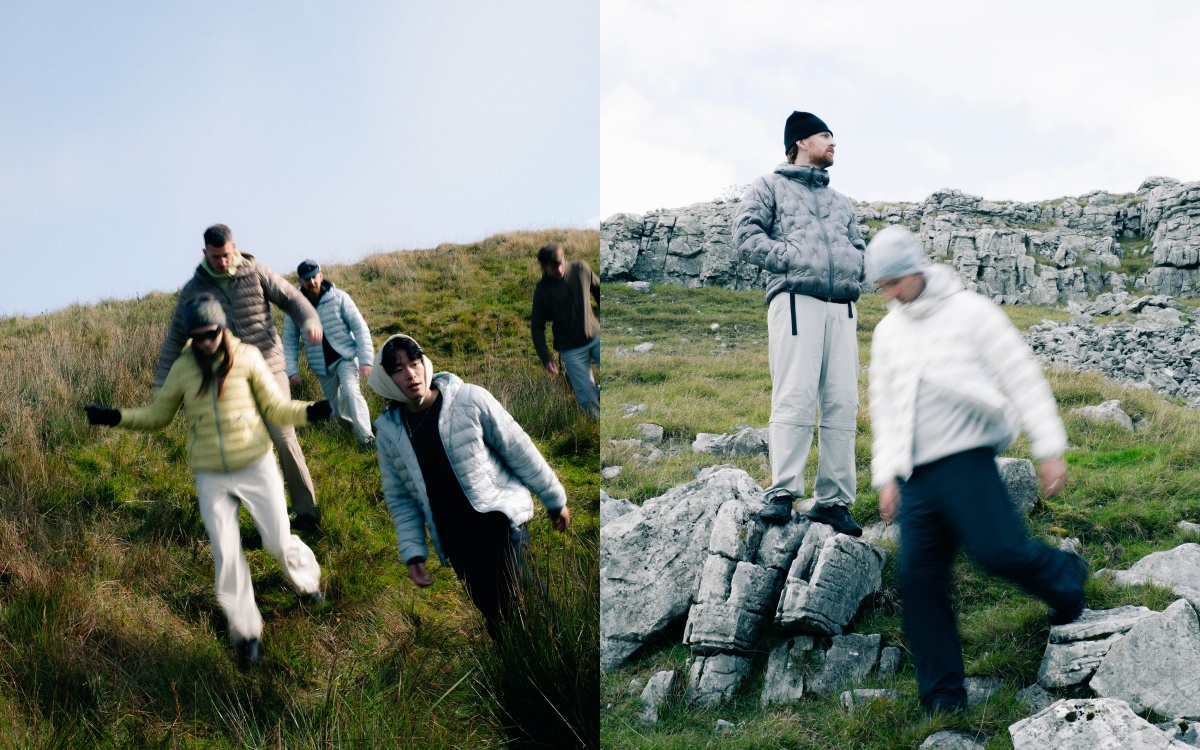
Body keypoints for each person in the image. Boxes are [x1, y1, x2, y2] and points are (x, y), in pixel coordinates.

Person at [866, 226, 1088, 714]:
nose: (887, 294)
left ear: (914, 271)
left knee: (999, 553)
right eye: (880, 286)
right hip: (917, 479)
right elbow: (883, 406)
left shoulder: (970, 312)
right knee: (920, 582)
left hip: (968, 461)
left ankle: (1067, 578)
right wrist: (886, 476)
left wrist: (1049, 445)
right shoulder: (887, 332)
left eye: (892, 282)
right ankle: (943, 698)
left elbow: (1020, 373)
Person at [85, 295, 331, 666]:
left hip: (256, 465)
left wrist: (310, 411)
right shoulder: (184, 369)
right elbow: (158, 416)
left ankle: (308, 583)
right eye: (198, 336)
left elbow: (276, 407)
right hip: (210, 474)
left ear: (223, 328)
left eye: (212, 333)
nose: (206, 342)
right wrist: (115, 417)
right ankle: (246, 633)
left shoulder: (247, 357)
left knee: (277, 541)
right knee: (227, 554)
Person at [367, 334, 571, 640]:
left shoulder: (469, 399)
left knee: (524, 597)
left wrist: (554, 498)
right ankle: (517, 674)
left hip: (499, 521)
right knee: (491, 610)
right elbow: (400, 499)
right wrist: (413, 553)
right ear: (385, 379)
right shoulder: (388, 433)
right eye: (398, 369)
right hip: (455, 539)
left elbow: (519, 449)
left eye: (415, 362)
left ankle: (563, 654)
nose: (411, 374)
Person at [733, 111, 866, 534]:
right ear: (801, 142)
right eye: (826, 136)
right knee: (795, 394)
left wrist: (855, 265)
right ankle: (783, 492)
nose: (833, 143)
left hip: (842, 306)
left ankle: (834, 500)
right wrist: (790, 258)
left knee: (843, 402)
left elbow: (858, 245)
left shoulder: (841, 201)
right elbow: (745, 236)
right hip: (795, 301)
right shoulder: (768, 186)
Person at [155, 224, 324, 532]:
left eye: (226, 254)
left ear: (234, 247)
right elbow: (176, 338)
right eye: (216, 256)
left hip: (270, 366)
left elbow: (290, 297)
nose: (222, 261)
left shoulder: (256, 272)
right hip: (230, 378)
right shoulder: (194, 290)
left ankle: (307, 512)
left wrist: (310, 318)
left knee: (283, 437)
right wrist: (162, 384)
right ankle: (271, 520)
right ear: (205, 252)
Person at [284, 259, 376, 446]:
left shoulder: (340, 298)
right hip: (321, 366)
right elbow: (289, 341)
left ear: (321, 276)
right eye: (306, 279)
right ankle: (352, 433)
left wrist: (366, 359)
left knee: (351, 393)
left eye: (314, 277)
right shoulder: (294, 308)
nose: (312, 282)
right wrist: (292, 371)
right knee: (337, 407)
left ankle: (366, 439)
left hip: (346, 358)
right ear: (300, 281)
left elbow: (359, 328)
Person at [530, 242, 600, 418]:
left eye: (561, 264)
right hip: (571, 350)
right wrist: (546, 358)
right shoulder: (542, 291)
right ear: (544, 266)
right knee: (587, 401)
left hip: (597, 337)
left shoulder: (580, 269)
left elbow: (599, 290)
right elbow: (537, 327)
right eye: (554, 268)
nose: (559, 270)